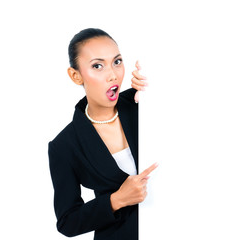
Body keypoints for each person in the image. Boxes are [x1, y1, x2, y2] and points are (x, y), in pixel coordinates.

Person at [48, 28, 158, 240]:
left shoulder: (142, 102)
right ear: (75, 75)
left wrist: (157, 86)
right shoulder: (64, 145)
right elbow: (67, 222)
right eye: (97, 66)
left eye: (117, 62)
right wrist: (116, 200)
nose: (112, 74)